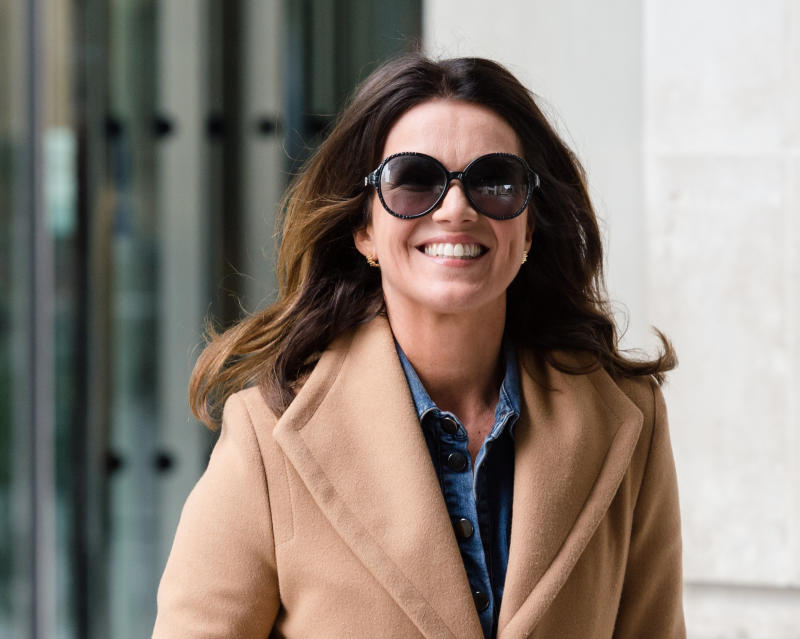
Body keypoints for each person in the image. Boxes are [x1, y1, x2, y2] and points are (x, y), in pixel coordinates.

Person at [153, 54, 684, 639]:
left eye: (495, 181)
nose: (457, 209)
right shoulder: (267, 434)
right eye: (414, 181)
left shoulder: (628, 419)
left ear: (529, 227)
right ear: (364, 230)